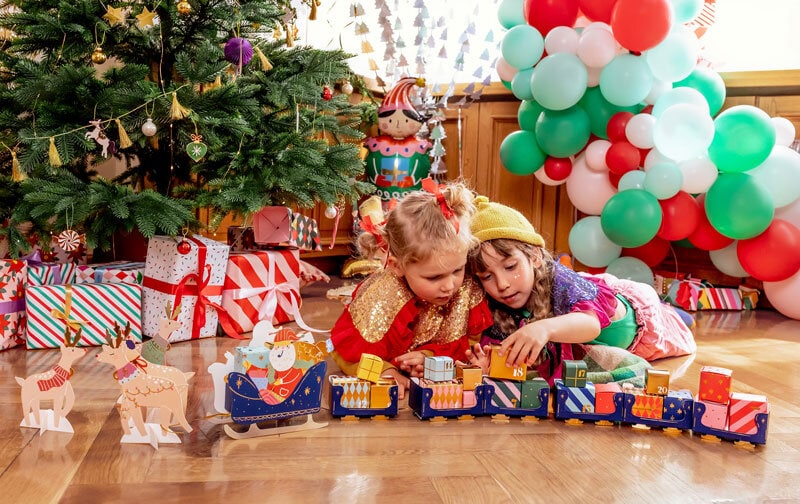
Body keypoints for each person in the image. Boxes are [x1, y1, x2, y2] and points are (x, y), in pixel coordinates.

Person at [465, 197, 696, 385]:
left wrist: (544, 327)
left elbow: (590, 325)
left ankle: (675, 312)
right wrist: (490, 363)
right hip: (571, 297)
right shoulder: (499, 306)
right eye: (487, 276)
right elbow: (510, 355)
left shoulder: (560, 279)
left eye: (510, 267)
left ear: (534, 256)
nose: (502, 284)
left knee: (672, 321)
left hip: (635, 314)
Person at [328, 179, 493, 391]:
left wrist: (431, 359)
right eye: (434, 278)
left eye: (457, 270)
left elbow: (473, 343)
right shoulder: (382, 295)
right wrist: (385, 371)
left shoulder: (466, 288)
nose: (449, 286)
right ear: (397, 267)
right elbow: (345, 353)